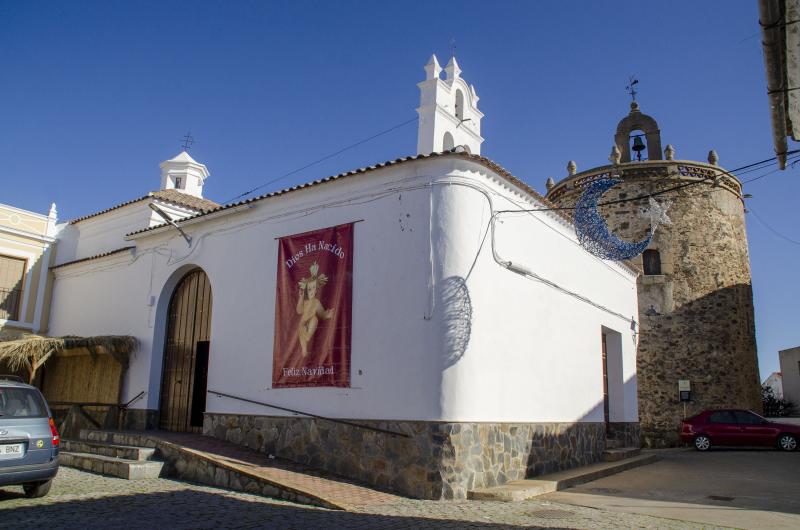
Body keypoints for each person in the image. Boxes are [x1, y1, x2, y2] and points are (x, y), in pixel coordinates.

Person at [296, 261, 334, 357]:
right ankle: (304, 348)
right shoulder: (305, 301)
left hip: (312, 320)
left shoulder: (316, 302)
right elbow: (299, 311)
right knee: (301, 329)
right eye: (309, 289)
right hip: (303, 323)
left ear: (316, 289)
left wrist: (327, 315)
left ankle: (308, 337)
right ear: (306, 291)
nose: (311, 291)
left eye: (313, 288)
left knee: (315, 319)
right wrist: (300, 298)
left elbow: (321, 313)